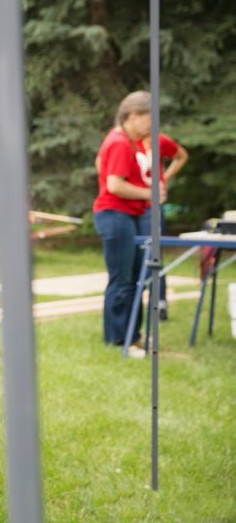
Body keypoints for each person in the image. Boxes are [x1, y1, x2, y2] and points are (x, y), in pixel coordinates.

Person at [92, 90, 161, 357]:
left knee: (132, 280)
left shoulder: (125, 141)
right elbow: (114, 184)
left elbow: (100, 164)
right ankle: (119, 341)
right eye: (148, 119)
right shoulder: (120, 142)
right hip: (115, 215)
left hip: (124, 215)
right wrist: (149, 193)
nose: (151, 126)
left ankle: (133, 336)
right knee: (122, 280)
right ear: (133, 115)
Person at [136, 129, 188, 320]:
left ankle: (159, 304)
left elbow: (181, 155)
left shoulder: (159, 139)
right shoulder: (126, 141)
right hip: (130, 205)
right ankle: (134, 305)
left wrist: (163, 179)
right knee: (138, 256)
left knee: (153, 255)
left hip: (152, 206)